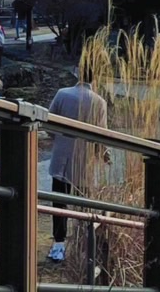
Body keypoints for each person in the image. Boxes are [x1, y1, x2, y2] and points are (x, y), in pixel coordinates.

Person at [47, 66, 109, 263]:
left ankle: (58, 244)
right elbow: (102, 135)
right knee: (84, 202)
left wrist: (58, 139)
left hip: (62, 157)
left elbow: (49, 122)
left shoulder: (62, 94)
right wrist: (103, 154)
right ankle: (84, 242)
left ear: (77, 74)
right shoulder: (99, 102)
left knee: (59, 201)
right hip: (85, 160)